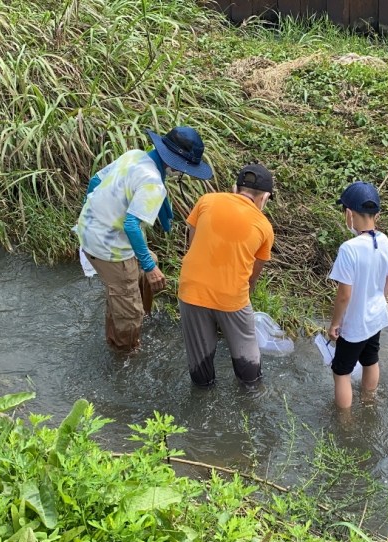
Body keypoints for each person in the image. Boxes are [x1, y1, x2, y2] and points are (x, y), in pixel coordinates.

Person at [74, 126, 212, 352]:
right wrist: (149, 267)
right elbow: (130, 225)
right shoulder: (153, 183)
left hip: (88, 229)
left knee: (145, 266)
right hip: (108, 247)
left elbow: (94, 182)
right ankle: (124, 353)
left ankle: (134, 309)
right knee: (130, 308)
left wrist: (92, 217)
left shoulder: (134, 155)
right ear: (176, 164)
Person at [178, 164, 275, 387]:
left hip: (191, 289)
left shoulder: (206, 200)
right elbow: (252, 277)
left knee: (200, 366)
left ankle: (201, 397)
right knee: (249, 369)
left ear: (234, 188)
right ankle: (250, 395)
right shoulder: (264, 226)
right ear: (265, 198)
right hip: (232, 298)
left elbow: (192, 244)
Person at [327, 181, 388, 409]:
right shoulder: (384, 240)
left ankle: (345, 423)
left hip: (355, 324)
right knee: (370, 360)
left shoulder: (349, 248)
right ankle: (368, 403)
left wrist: (335, 324)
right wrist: (379, 298)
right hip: (375, 318)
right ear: (376, 215)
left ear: (349, 214)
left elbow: (344, 296)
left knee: (341, 372)